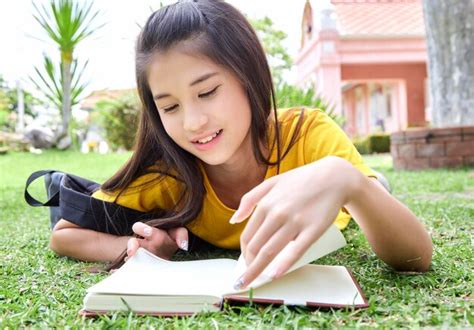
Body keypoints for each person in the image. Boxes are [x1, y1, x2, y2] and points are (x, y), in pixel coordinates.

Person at [49, 0, 432, 290]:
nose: (193, 122)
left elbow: (416, 258)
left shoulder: (307, 133)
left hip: (346, 203)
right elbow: (64, 233)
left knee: (371, 187)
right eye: (170, 106)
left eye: (208, 92)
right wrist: (135, 247)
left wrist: (348, 182)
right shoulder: (169, 172)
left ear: (248, 76)